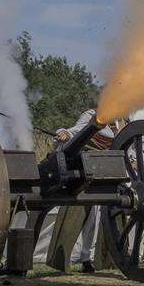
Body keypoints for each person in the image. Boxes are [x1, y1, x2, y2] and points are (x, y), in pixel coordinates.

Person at [54, 109, 119, 273]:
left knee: (97, 220)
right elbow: (76, 131)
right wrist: (64, 133)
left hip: (108, 173)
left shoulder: (121, 122)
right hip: (86, 169)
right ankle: (84, 257)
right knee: (89, 219)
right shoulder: (92, 115)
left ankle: (91, 258)